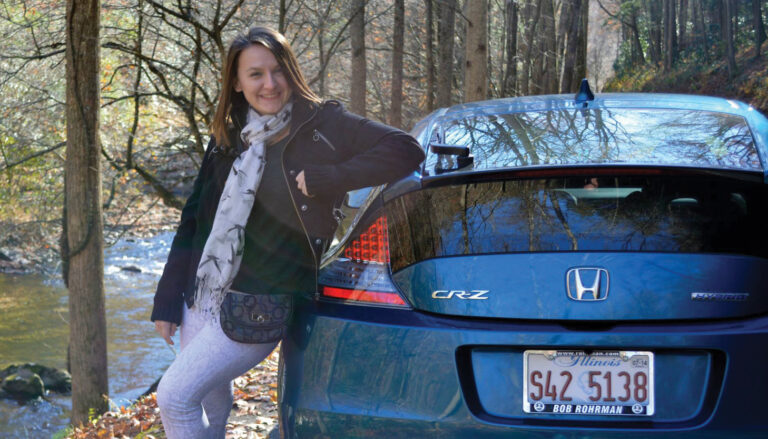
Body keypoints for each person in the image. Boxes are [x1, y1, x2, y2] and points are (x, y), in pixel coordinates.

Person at [150, 26, 425, 438]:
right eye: (255, 74)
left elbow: (405, 148)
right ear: (238, 83)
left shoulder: (322, 126)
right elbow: (193, 220)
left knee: (174, 396)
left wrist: (331, 177)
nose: (270, 84)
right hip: (204, 290)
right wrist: (167, 298)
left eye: (277, 71)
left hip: (261, 300)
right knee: (211, 400)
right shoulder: (229, 133)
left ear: (291, 72)